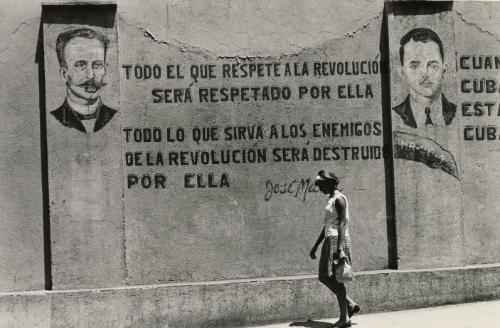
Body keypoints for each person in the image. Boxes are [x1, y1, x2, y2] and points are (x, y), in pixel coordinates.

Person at [310, 170, 359, 328]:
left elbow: (343, 224)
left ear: (330, 183)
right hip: (329, 239)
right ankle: (349, 305)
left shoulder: (339, 199)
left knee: (336, 278)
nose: (320, 188)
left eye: (322, 185)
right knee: (324, 276)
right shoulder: (330, 199)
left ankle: (344, 318)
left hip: (338, 240)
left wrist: (340, 249)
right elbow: (327, 225)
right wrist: (316, 245)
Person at [51, 28, 117, 133]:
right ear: (64, 74)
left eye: (97, 65)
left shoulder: (115, 116)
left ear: (105, 69)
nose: (90, 75)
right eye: (81, 65)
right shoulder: (54, 119)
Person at [392, 27, 456, 129]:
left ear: (444, 68)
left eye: (433, 65)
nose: (425, 73)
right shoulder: (395, 115)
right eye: (414, 66)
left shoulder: (458, 113)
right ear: (402, 72)